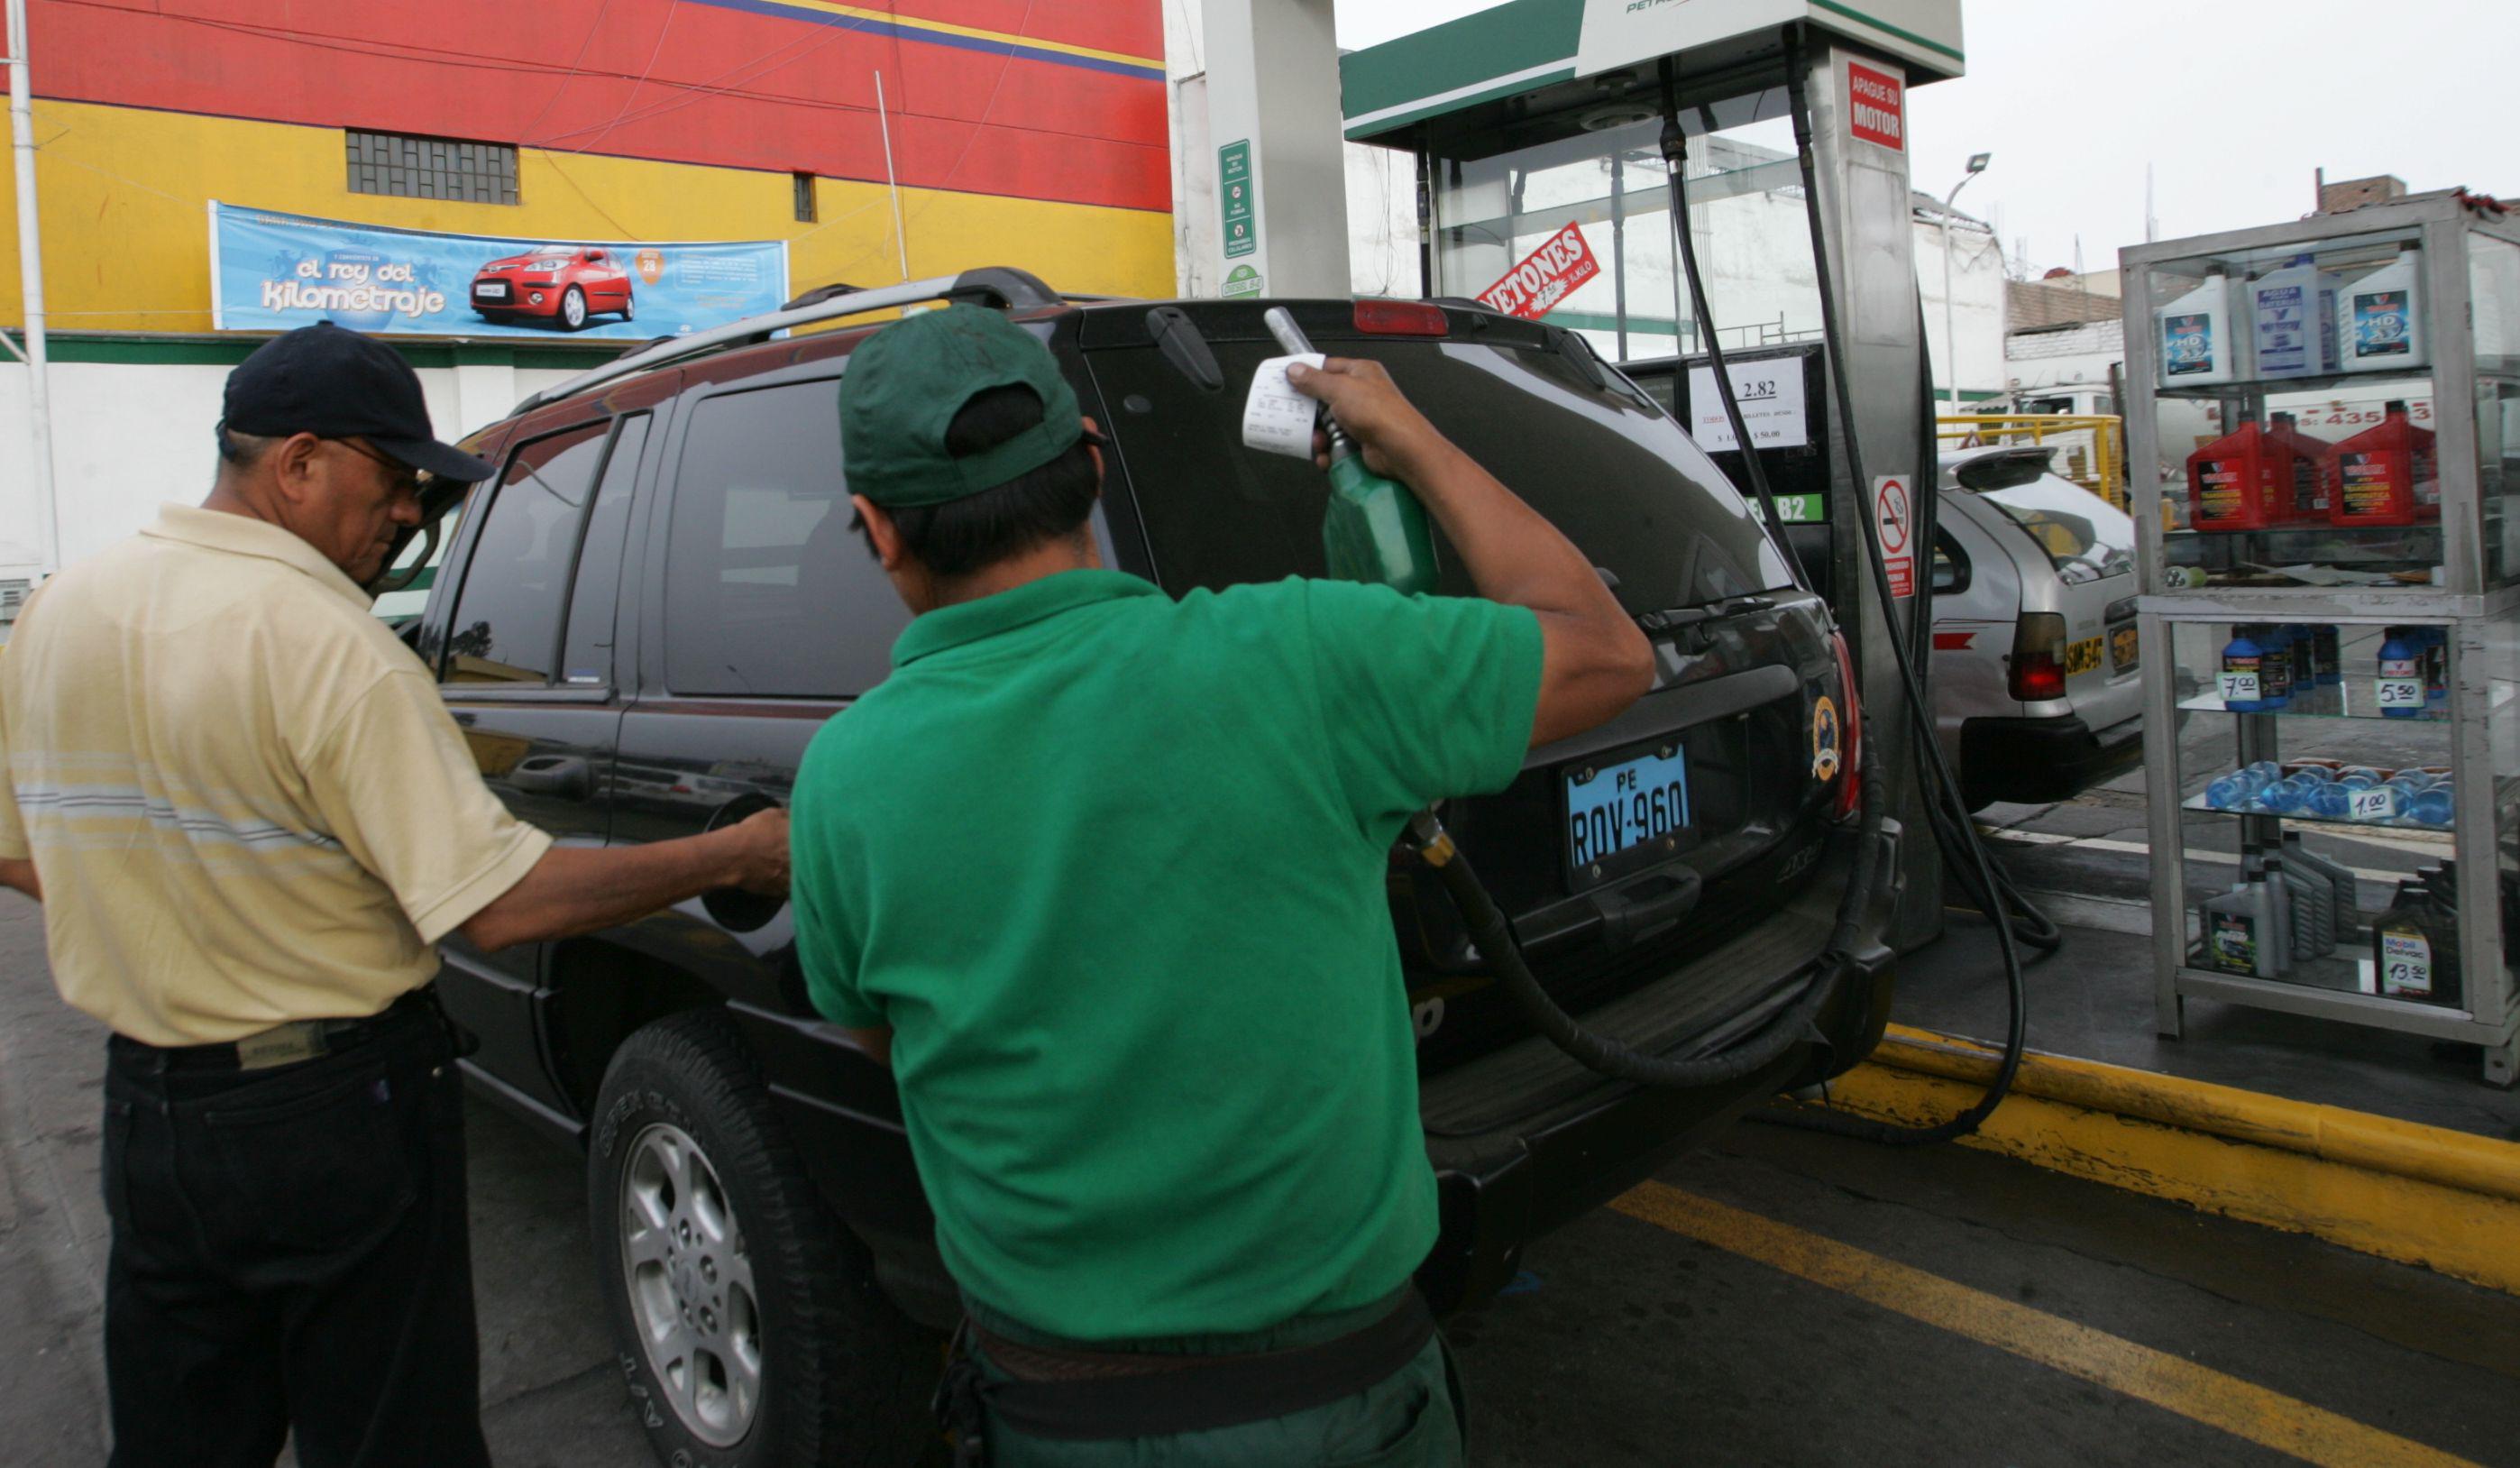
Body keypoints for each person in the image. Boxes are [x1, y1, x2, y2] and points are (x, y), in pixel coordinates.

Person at [787, 304, 1653, 1465]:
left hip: (1057, 1418)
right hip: (1352, 1404)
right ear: (1090, 466)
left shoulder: (839, 783)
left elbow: (891, 1044)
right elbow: (1605, 652)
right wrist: (1413, 439)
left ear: (877, 530)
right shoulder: (1303, 661)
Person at [0, 321, 792, 1468]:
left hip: (150, 1113)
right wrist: (729, 856)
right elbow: (499, 907)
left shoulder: (60, 611)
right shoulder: (330, 643)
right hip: (328, 1117)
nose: (413, 512)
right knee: (389, 1433)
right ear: (300, 462)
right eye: (397, 478)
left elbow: (23, 853)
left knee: (180, 1434)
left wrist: (174, 914)